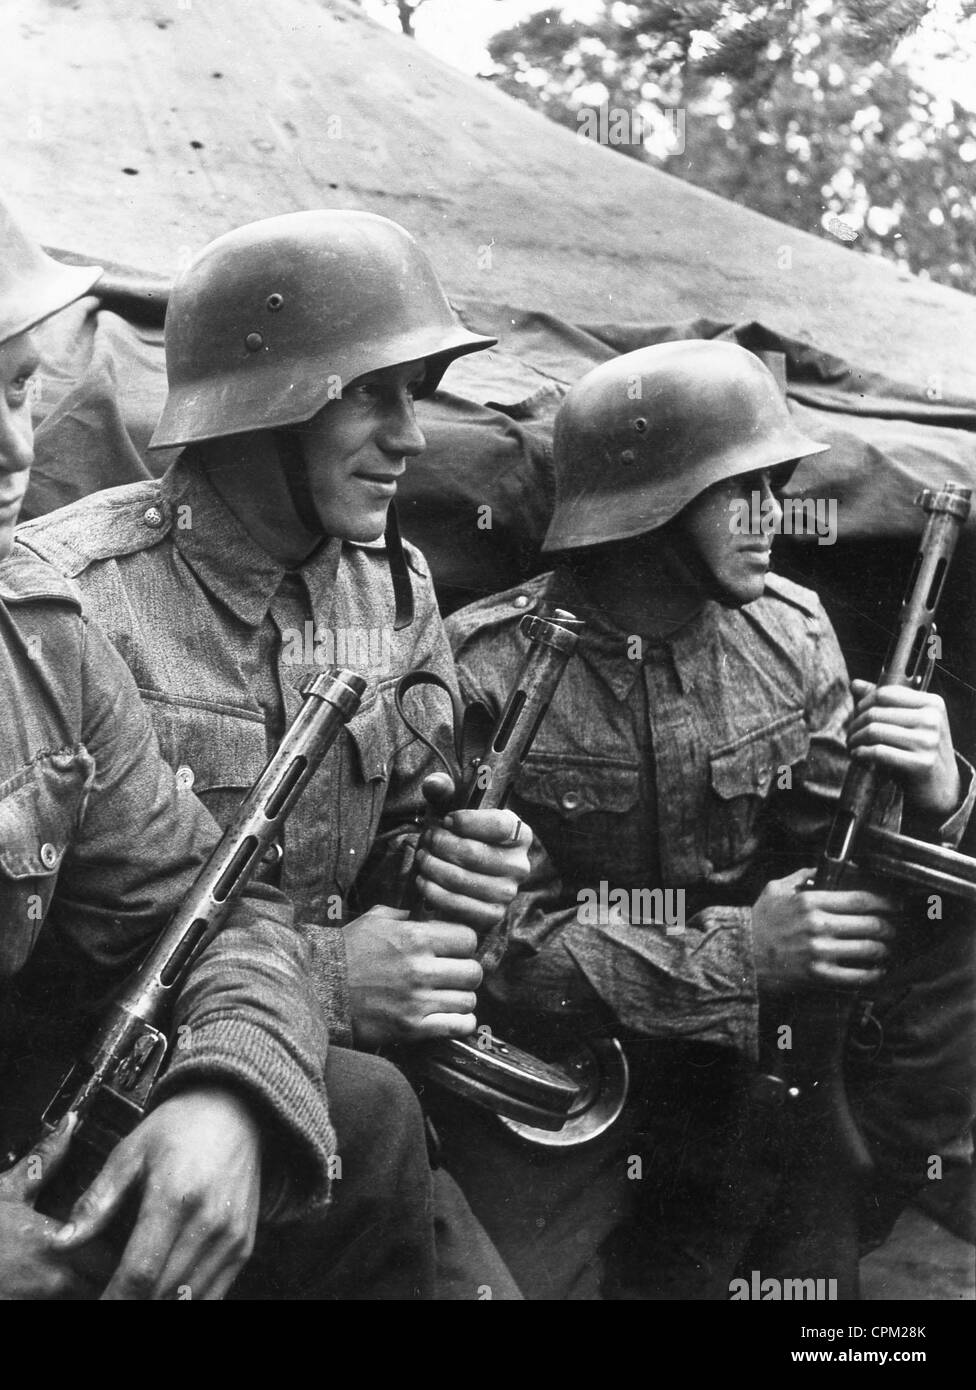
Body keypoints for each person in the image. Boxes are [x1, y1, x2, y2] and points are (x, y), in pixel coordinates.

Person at [0, 130, 457, 1301]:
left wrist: (226, 1090)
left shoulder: (47, 644)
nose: (13, 446)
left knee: (359, 1117)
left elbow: (210, 909)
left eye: (15, 388)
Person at [17, 209, 531, 1297]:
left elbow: (392, 827)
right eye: (368, 393)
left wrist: (444, 864)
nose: (412, 436)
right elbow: (10, 976)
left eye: (416, 390)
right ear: (260, 406)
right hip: (114, 1124)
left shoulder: (392, 589)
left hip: (342, 1115)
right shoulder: (71, 600)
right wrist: (330, 979)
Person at [445, 339, 975, 1298]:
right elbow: (496, 948)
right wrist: (740, 955)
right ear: (647, 507)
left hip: (753, 1082)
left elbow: (842, 858)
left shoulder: (792, 630)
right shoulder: (485, 671)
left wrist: (936, 794)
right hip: (573, 1082)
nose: (774, 516)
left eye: (777, 485)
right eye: (743, 490)